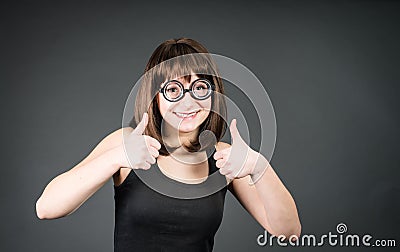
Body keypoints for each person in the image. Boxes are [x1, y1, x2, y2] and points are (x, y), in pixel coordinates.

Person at [36, 38, 301, 251]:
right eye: (173, 90)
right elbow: (46, 208)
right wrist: (115, 158)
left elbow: (288, 233)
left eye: (199, 88)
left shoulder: (224, 159)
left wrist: (259, 166)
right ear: (155, 97)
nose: (188, 102)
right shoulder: (126, 143)